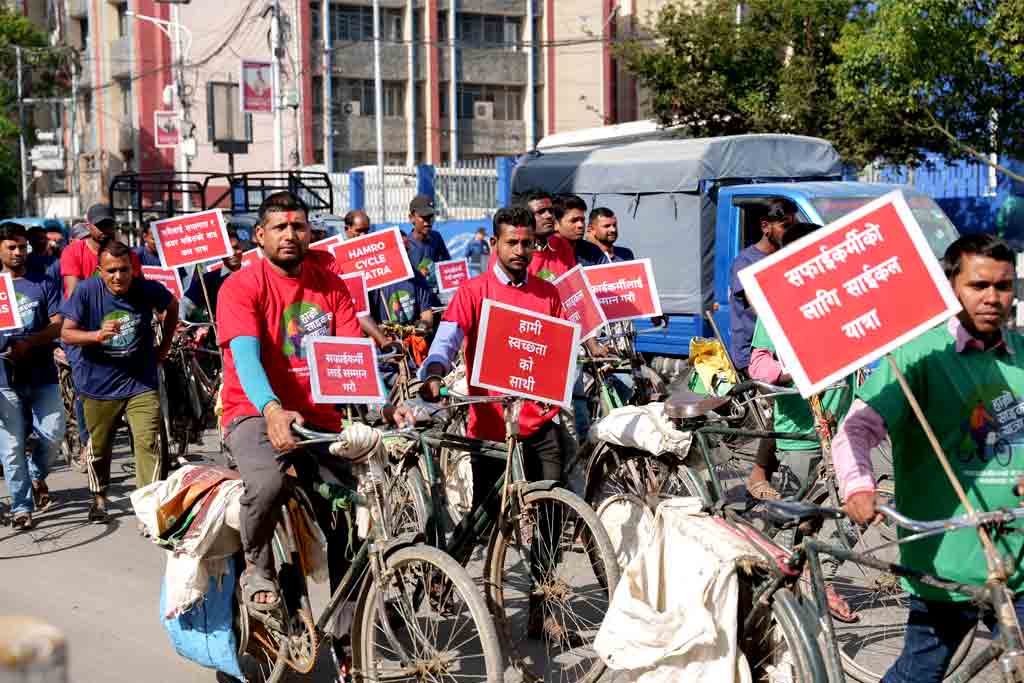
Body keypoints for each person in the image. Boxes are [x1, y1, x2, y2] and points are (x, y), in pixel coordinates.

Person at [834, 234, 1024, 683]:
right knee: (921, 672)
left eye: (1004, 286)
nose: (993, 298)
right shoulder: (918, 353)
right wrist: (858, 486)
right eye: (979, 286)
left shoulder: (1021, 353)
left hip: (1016, 555)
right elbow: (857, 428)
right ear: (950, 286)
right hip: (945, 560)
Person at [418, 206, 600, 638]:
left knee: (553, 514)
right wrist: (433, 370)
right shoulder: (473, 291)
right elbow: (448, 338)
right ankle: (445, 572)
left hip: (540, 423)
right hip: (491, 426)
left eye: (527, 243)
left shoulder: (547, 293)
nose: (521, 250)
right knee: (486, 517)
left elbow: (560, 350)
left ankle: (544, 607)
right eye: (512, 243)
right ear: (495, 245)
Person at [215, 191, 367, 623]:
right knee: (267, 485)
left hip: (319, 419)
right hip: (253, 413)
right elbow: (245, 358)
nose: (290, 235)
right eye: (280, 227)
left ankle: (348, 628)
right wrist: (272, 409)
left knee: (349, 508)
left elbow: (352, 352)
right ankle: (257, 569)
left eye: (298, 226)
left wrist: (382, 402)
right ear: (260, 236)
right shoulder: (241, 286)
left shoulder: (331, 286)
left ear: (311, 233)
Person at [61, 240, 178, 525]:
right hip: (98, 386)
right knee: (99, 448)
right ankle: (99, 496)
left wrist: (163, 347)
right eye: (111, 270)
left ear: (132, 269)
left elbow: (172, 305)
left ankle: (146, 506)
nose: (118, 276)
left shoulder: (145, 289)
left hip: (140, 382)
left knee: (148, 443)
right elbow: (67, 333)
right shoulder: (87, 291)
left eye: (124, 269)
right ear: (100, 271)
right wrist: (96, 336)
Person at [745, 222, 846, 503]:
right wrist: (793, 371)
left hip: (842, 429)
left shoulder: (845, 297)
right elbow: (759, 365)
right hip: (801, 435)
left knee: (845, 515)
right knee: (795, 521)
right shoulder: (778, 308)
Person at [0, 222, 64, 531]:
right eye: (11, 247)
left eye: (21, 247)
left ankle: (35, 474)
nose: (17, 252)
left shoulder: (43, 282)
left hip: (41, 372)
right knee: (11, 446)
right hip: (4, 380)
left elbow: (58, 323)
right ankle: (21, 506)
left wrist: (31, 341)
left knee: (54, 433)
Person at [729, 198, 797, 372]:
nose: (792, 232)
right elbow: (763, 310)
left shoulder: (787, 257)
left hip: (783, 351)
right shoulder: (745, 263)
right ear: (766, 227)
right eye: (785, 226)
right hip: (755, 356)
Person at [61, 203, 142, 298]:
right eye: (99, 225)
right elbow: (73, 296)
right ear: (88, 226)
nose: (105, 229)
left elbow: (137, 292)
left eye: (109, 225)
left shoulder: (129, 255)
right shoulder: (72, 252)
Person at [372, 232, 440, 328]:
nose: (404, 254)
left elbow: (426, 314)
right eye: (399, 250)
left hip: (413, 339)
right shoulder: (375, 281)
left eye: (406, 249)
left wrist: (423, 326)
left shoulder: (418, 278)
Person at [510, 189, 576, 282]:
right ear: (525, 217)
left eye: (551, 210)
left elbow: (575, 287)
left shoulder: (562, 245)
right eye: (541, 212)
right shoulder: (510, 252)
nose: (549, 215)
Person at [180, 229, 246, 322]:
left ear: (242, 249)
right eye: (227, 249)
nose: (232, 253)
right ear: (221, 252)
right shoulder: (209, 279)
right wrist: (180, 321)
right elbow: (186, 302)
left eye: (236, 248)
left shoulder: (254, 276)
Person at [406, 195, 450, 282]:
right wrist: (417, 274)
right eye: (423, 217)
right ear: (411, 218)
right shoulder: (404, 245)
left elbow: (447, 266)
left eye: (430, 216)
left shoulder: (436, 237)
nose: (427, 222)